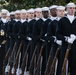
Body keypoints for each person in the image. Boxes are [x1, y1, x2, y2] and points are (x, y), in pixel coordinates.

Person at [56, 2, 76, 75]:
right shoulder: (62, 20)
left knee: (74, 66)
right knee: (64, 66)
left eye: (74, 8)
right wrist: (66, 39)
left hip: (75, 47)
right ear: (67, 9)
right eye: (70, 8)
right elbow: (58, 34)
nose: (72, 10)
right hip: (65, 47)